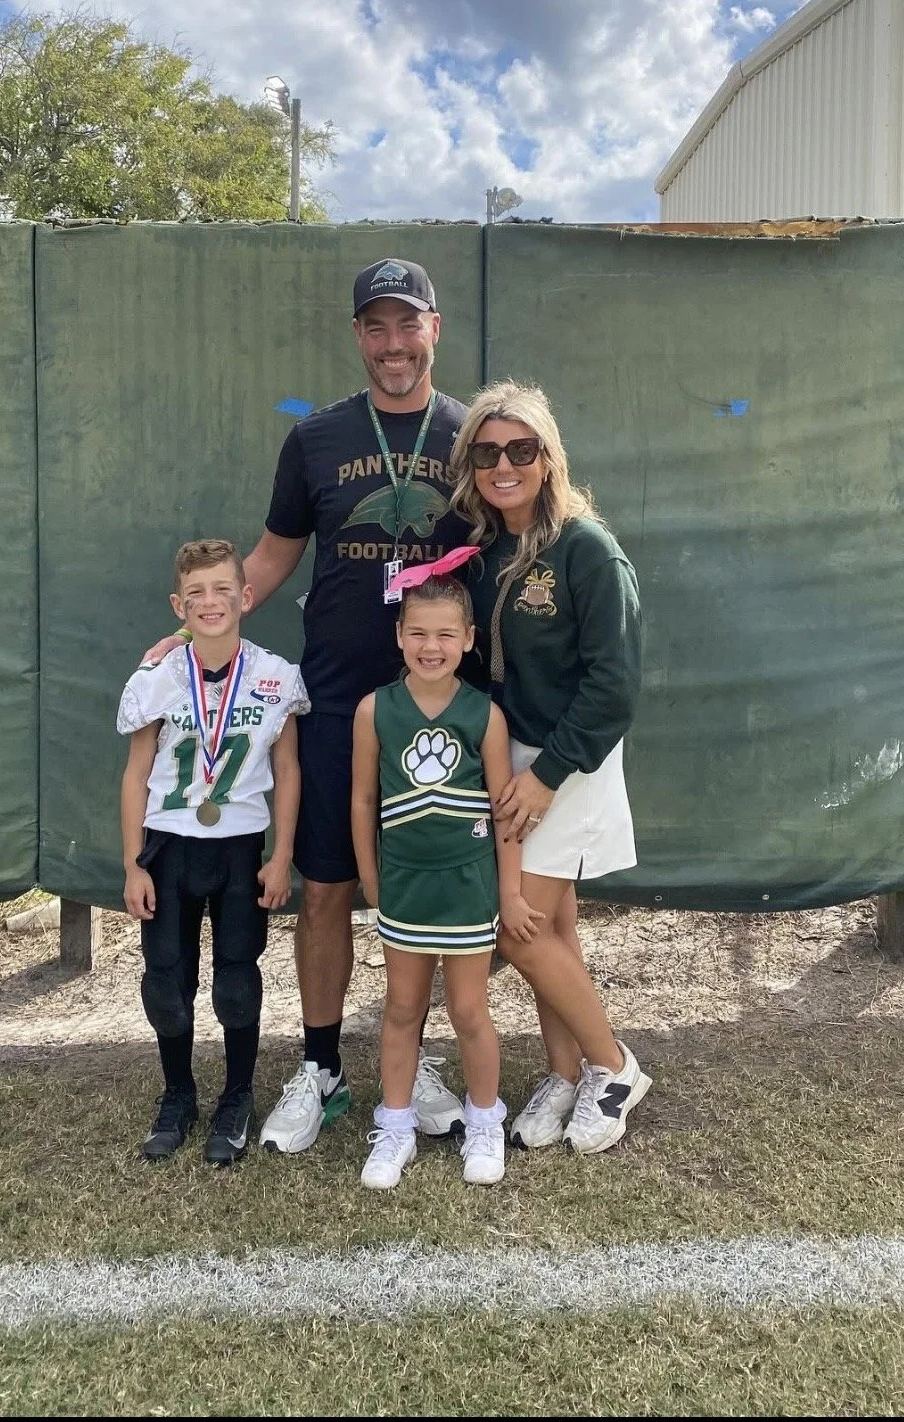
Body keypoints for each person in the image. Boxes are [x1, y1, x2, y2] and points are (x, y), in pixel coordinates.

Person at [144, 259, 470, 1153]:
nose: (395, 344)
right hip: (331, 703)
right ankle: (321, 1067)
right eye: (377, 326)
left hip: (437, 709)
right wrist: (195, 628)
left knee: (423, 889)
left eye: (409, 325)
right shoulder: (317, 438)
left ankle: (415, 1059)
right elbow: (271, 557)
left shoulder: (470, 435)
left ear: (434, 330)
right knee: (325, 890)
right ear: (358, 335)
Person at [453, 381, 651, 1154]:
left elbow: (614, 686)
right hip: (512, 758)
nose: (504, 465)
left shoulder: (587, 548)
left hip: (568, 762)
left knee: (519, 928)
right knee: (555, 925)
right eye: (488, 452)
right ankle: (565, 1075)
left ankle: (615, 1068)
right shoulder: (483, 549)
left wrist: (545, 775)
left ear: (548, 457)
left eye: (521, 449)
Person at [350, 566, 541, 1189]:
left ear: (468, 639)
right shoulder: (374, 710)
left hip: (467, 887)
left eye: (445, 635)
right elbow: (362, 802)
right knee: (402, 1008)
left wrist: (509, 892)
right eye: (418, 633)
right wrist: (371, 881)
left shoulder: (485, 715)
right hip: (404, 885)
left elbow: (504, 811)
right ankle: (395, 1126)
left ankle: (485, 1121)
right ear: (398, 635)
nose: (430, 647)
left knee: (468, 1010)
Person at [119, 539, 308, 1165]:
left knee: (236, 982)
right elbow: (136, 774)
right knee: (165, 982)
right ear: (179, 605)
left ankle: (236, 1096)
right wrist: (132, 864)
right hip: (169, 845)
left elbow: (288, 769)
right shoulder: (157, 678)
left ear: (245, 597)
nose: (211, 602)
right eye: (196, 593)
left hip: (239, 848)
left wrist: (281, 855)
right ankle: (178, 1093)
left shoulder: (276, 677)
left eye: (223, 589)